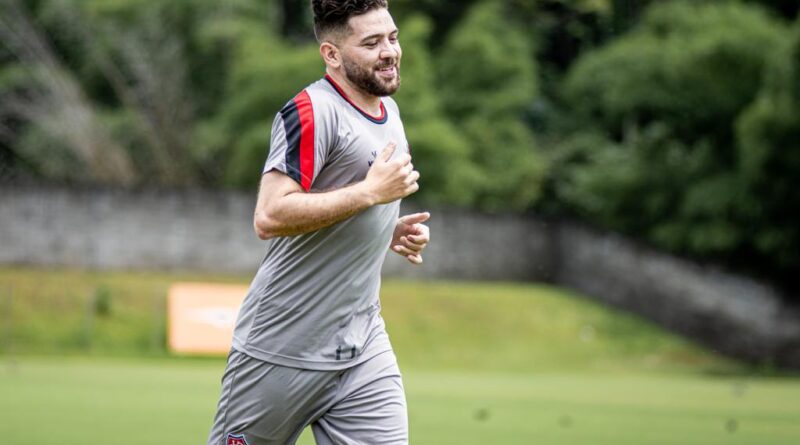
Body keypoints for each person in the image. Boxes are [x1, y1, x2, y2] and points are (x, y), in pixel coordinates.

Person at [207, 1, 429, 444]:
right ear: (331, 54)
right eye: (371, 43)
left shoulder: (390, 113)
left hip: (361, 347)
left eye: (392, 37)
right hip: (281, 349)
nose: (389, 51)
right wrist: (370, 195)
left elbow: (351, 199)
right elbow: (270, 215)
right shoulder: (311, 111)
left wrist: (386, 226)